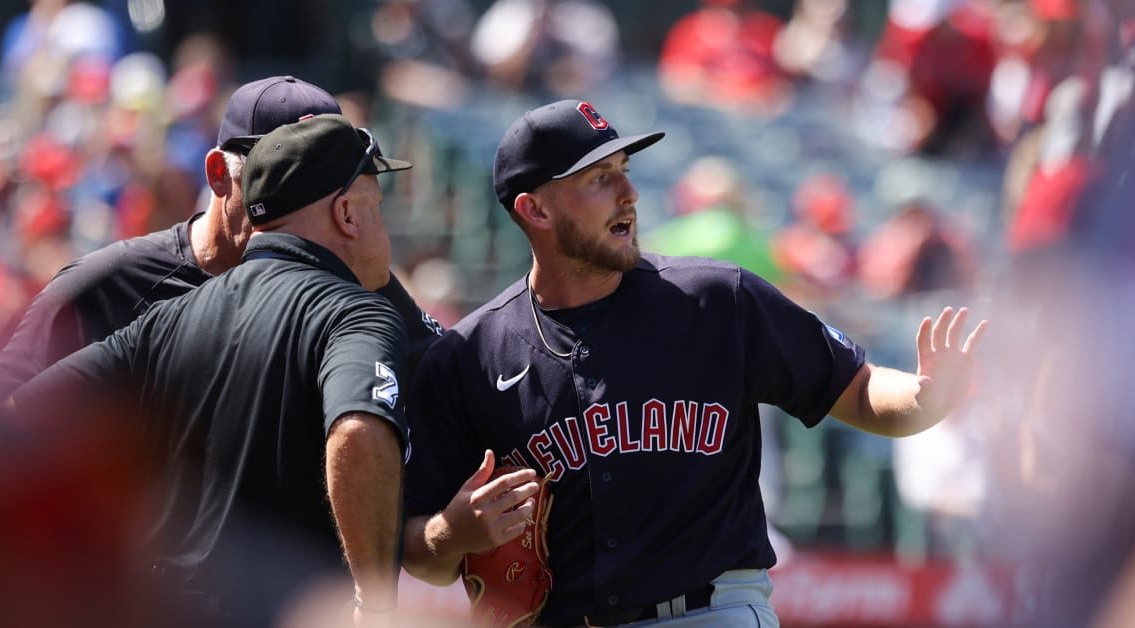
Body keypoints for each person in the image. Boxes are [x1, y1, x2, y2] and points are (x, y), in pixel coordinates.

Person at [400, 99, 988, 626]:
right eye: (600, 178)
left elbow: (858, 390)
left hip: (711, 611)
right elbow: (419, 554)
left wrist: (921, 398)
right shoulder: (471, 356)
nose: (629, 193)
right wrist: (454, 532)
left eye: (625, 173)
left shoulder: (716, 298)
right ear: (536, 210)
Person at [9, 113, 414, 628]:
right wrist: (374, 607)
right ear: (347, 216)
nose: (384, 228)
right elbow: (357, 433)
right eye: (376, 207)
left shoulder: (167, 318)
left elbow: (20, 417)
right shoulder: (355, 312)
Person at [0, 75, 442, 401]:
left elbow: (452, 370)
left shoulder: (354, 281)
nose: (302, 204)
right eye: (278, 178)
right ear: (219, 174)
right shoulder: (110, 283)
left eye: (322, 185)